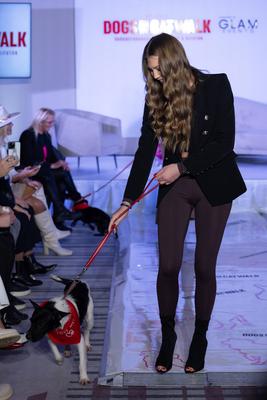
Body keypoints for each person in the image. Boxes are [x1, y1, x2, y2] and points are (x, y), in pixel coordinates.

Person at [109, 33, 247, 374]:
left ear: (174, 63)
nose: (154, 77)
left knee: (204, 267)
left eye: (158, 70)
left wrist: (182, 166)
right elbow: (144, 150)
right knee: (168, 266)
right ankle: (168, 336)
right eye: (150, 72)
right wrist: (127, 201)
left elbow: (223, 144)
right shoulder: (156, 96)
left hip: (214, 184)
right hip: (177, 186)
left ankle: (199, 335)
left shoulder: (216, 86)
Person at [19, 108, 83, 230]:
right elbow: (28, 161)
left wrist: (60, 163)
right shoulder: (27, 135)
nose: (52, 125)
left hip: (43, 170)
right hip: (30, 171)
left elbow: (51, 156)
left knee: (62, 174)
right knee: (51, 175)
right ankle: (70, 204)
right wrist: (51, 165)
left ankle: (60, 214)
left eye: (53, 122)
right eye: (49, 122)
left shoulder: (46, 135)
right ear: (40, 121)